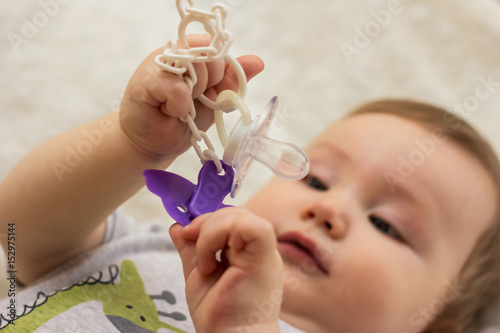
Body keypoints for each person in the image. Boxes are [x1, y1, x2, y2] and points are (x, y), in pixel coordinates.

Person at [0, 34, 499, 333]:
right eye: (318, 180)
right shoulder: (165, 246)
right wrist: (132, 143)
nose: (329, 211)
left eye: (387, 226)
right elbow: (20, 234)